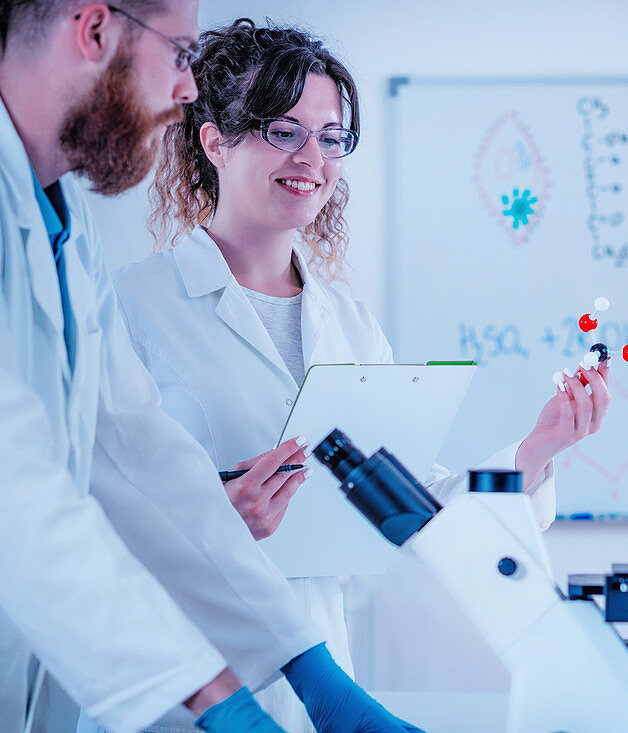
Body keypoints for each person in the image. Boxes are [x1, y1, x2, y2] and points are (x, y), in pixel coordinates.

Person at [109, 18, 612, 732]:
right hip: (179, 681)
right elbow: (78, 513)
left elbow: (413, 502)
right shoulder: (132, 308)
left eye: (330, 135)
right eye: (282, 130)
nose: (312, 155)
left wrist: (535, 451)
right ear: (213, 140)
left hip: (322, 675)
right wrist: (212, 515)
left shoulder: (345, 321)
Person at [0, 2, 420, 732]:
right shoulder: (136, 287)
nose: (190, 88)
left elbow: (140, 455)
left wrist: (310, 670)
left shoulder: (65, 224)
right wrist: (216, 697)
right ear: (95, 31)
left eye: (327, 136)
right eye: (180, 51)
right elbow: (19, 496)